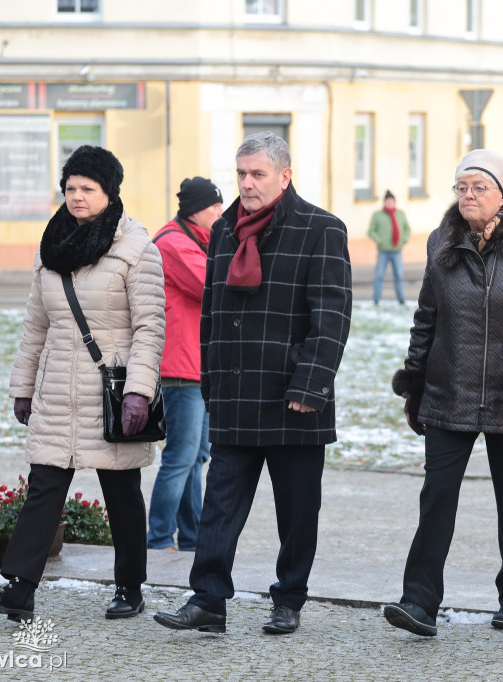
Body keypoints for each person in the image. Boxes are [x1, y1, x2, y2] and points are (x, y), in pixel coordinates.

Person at [154, 132, 352, 636]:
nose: (246, 183)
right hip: (235, 395)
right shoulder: (224, 230)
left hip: (293, 398)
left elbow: (330, 319)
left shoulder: (321, 228)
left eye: (257, 174)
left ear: (285, 176)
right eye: (240, 173)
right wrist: (212, 383)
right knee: (219, 506)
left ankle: (289, 600)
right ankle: (208, 600)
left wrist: (309, 388)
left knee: (297, 511)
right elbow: (213, 316)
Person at [0, 145, 165, 622]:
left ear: (109, 192)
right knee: (44, 487)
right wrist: (22, 388)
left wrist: (139, 391)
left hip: (112, 395)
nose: (77, 196)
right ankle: (19, 590)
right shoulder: (50, 248)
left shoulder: (136, 249)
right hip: (58, 390)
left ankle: (129, 587)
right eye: (70, 188)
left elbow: (150, 327)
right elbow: (35, 326)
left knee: (122, 496)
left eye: (88, 188)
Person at [383, 149, 503, 638]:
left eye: (478, 188)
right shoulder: (442, 242)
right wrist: (414, 384)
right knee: (436, 496)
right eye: (461, 188)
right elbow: (426, 317)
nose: (467, 196)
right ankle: (418, 602)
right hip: (448, 389)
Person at [146, 177, 222, 552]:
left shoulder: (197, 240)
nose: (221, 214)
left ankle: (191, 540)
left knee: (196, 458)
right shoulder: (175, 244)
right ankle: (158, 540)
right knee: (180, 458)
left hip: (199, 366)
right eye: (215, 207)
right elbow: (213, 286)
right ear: (197, 210)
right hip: (181, 369)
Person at [367, 190, 410, 305]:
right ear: (384, 202)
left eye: (391, 201)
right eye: (388, 201)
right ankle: (376, 300)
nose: (390, 203)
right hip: (383, 252)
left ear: (394, 202)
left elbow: (407, 229)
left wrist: (404, 239)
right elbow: (371, 231)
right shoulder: (377, 215)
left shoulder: (400, 214)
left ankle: (401, 299)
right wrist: (379, 240)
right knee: (379, 275)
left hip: (397, 251)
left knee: (399, 276)